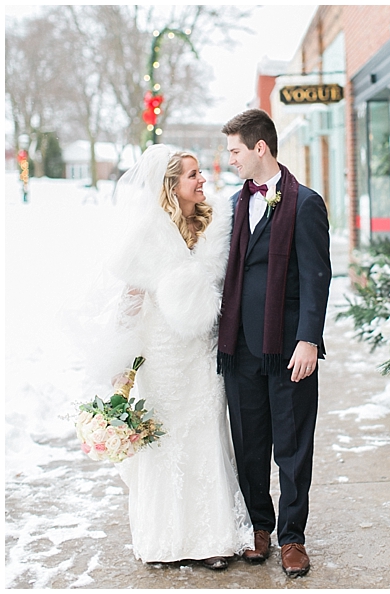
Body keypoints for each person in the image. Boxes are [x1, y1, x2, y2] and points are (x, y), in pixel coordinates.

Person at [105, 144, 253, 568]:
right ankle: (165, 540)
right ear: (172, 186)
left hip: (202, 353)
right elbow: (129, 303)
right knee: (166, 443)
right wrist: (122, 365)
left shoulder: (214, 227)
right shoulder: (146, 237)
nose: (202, 179)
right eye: (192, 175)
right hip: (162, 354)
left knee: (206, 435)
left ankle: (212, 539)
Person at [216, 109, 331, 578]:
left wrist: (308, 338)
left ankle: (292, 537)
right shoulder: (234, 204)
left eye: (235, 151)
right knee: (250, 442)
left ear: (259, 147)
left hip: (287, 349)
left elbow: (316, 277)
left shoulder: (305, 203)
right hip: (241, 347)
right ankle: (260, 528)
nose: (230, 161)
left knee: (292, 445)